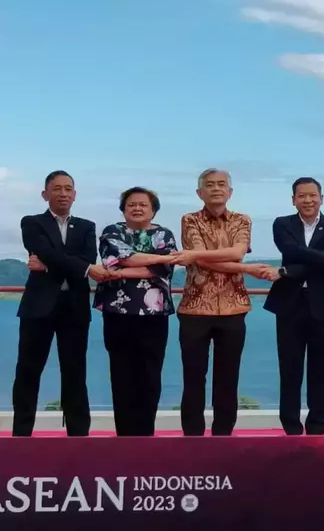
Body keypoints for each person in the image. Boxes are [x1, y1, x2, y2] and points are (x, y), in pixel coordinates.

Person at [172, 168, 275, 436]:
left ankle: (223, 436)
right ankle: (192, 437)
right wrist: (247, 269)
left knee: (228, 378)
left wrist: (199, 255)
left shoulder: (242, 220)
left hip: (233, 308)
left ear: (230, 192)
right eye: (209, 185)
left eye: (221, 185)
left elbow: (236, 251)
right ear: (199, 192)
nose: (216, 189)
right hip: (195, 308)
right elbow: (203, 259)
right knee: (193, 378)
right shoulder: (190, 220)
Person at [14, 170, 116, 437]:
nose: (63, 193)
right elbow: (45, 252)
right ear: (45, 194)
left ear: (74, 194)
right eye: (56, 188)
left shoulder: (86, 226)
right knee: (28, 371)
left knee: (74, 372)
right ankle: (21, 436)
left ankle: (78, 435)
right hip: (38, 308)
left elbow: (81, 256)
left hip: (74, 308)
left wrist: (48, 265)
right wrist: (81, 267)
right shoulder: (32, 222)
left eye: (68, 189)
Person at [264, 177, 324, 436]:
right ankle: (291, 428)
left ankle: (317, 427)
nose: (307, 200)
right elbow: (293, 251)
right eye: (301, 196)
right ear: (293, 199)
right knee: (290, 369)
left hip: (323, 305)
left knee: (322, 369)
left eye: (312, 195)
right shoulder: (282, 224)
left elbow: (312, 263)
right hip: (289, 304)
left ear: (321, 198)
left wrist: (283, 271)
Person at [95, 187, 178, 436]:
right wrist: (153, 259)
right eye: (132, 204)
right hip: (117, 313)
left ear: (153, 209)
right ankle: (125, 435)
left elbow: (163, 268)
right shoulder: (112, 231)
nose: (137, 208)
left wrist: (120, 270)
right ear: (123, 209)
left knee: (150, 373)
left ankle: (145, 434)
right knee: (121, 374)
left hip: (154, 314)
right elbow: (119, 257)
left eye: (143, 204)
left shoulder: (164, 234)